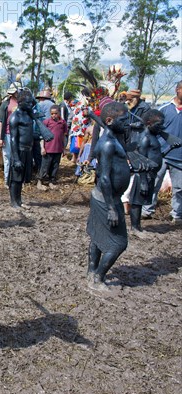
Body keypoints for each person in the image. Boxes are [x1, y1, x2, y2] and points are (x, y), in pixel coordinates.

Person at [86, 102, 131, 291]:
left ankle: (92, 272)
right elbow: (104, 178)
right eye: (124, 119)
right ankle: (97, 278)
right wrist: (112, 208)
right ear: (111, 121)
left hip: (109, 197)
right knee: (119, 244)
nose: (127, 123)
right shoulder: (107, 144)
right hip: (107, 200)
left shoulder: (114, 139)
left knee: (97, 236)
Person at [142, 81, 182, 223]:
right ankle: (147, 210)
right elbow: (150, 127)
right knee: (153, 182)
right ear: (177, 90)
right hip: (160, 154)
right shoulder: (164, 109)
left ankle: (177, 214)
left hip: (179, 156)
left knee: (179, 188)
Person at [8, 90, 39, 208]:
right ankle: (14, 201)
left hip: (28, 150)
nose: (31, 104)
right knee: (16, 178)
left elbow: (34, 103)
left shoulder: (28, 114)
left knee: (22, 178)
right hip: (19, 150)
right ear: (20, 103)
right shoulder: (15, 117)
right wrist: (16, 158)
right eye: (28, 102)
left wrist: (29, 95)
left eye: (31, 102)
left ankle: (19, 200)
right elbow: (13, 140)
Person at [38, 105, 68, 189]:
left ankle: (52, 181)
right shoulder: (46, 122)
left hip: (58, 149)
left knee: (55, 166)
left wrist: (64, 148)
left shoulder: (63, 123)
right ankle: (40, 181)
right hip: (48, 149)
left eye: (55, 113)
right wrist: (42, 147)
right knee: (45, 166)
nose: (53, 115)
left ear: (59, 113)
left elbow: (64, 136)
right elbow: (42, 136)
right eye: (52, 114)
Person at [0, 83, 20, 187]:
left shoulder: (22, 103)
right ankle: (7, 180)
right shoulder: (5, 104)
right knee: (7, 157)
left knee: (17, 157)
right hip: (7, 133)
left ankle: (17, 180)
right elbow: (1, 121)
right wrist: (0, 138)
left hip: (19, 134)